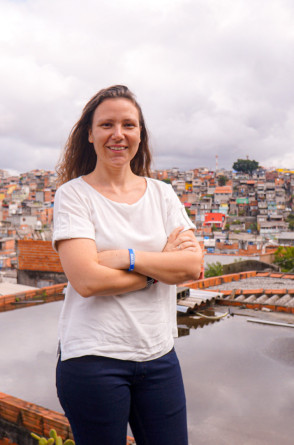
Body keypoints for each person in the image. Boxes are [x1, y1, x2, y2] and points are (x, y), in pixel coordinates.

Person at [53, 85, 202, 445]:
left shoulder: (163, 194)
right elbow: (87, 280)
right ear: (89, 134)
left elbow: (192, 266)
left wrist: (127, 258)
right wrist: (158, 269)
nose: (118, 134)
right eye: (106, 124)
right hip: (93, 360)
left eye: (128, 125)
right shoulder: (73, 195)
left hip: (159, 355)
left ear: (140, 134)